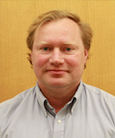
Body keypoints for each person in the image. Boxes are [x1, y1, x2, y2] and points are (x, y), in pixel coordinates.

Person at [0, 10, 115, 138]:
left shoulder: (112, 113)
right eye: (45, 48)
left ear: (85, 55)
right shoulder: (3, 118)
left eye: (67, 49)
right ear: (31, 55)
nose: (56, 59)